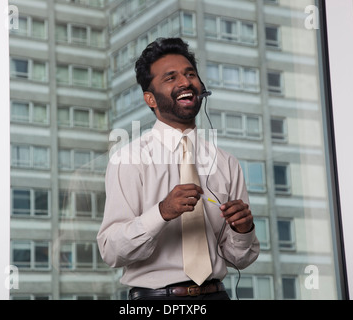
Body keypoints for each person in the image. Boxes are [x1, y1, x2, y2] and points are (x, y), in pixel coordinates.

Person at [97, 37, 259, 300]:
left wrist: (243, 231)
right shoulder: (128, 159)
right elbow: (111, 251)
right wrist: (162, 212)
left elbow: (240, 259)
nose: (185, 82)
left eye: (190, 74)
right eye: (171, 78)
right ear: (150, 98)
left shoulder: (225, 162)